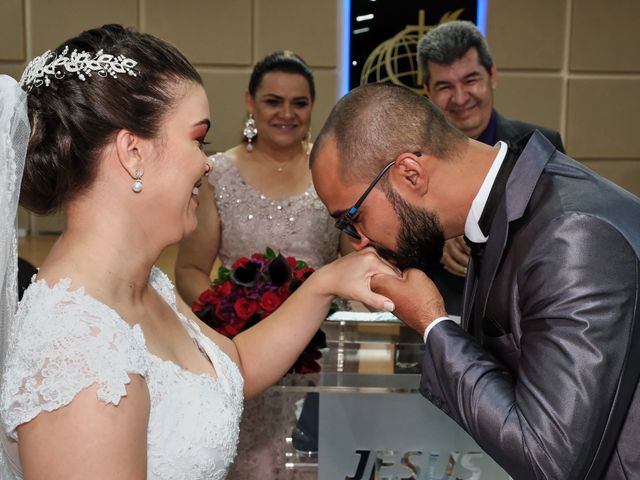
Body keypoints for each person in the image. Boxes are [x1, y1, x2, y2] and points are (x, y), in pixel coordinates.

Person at [0, 25, 398, 480]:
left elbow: (234, 368)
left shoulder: (144, 285)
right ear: (133, 153)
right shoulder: (78, 356)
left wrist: (327, 282)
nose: (206, 162)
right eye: (198, 139)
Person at [310, 82, 640, 479]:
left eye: (352, 217)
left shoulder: (572, 235)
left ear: (410, 173)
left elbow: (549, 461)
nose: (357, 239)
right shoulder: (513, 207)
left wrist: (433, 324)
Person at [174, 50, 350, 479]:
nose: (286, 113)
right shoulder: (218, 174)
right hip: (244, 356)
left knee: (319, 463)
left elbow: (352, 258)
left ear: (313, 106)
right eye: (274, 101)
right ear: (250, 102)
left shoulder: (335, 170)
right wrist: (236, 320)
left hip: (321, 356)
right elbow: (190, 269)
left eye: (300, 103)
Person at [417, 20, 566, 315]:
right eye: (445, 86)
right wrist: (439, 240)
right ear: (427, 91)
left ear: (492, 75)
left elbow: (560, 234)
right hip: (438, 315)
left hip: (522, 314)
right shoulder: (412, 156)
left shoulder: (542, 145)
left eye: (471, 80)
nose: (460, 98)